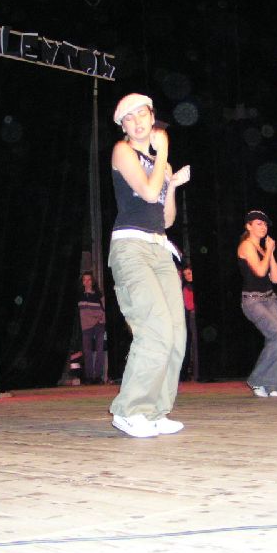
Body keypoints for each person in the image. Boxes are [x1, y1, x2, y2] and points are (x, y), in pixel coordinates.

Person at [108, 93, 191, 438]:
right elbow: (145, 192)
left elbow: (166, 218)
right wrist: (164, 154)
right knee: (155, 327)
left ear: (152, 117)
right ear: (124, 127)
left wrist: (171, 184)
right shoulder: (122, 151)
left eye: (142, 114)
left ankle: (156, 411)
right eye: (129, 118)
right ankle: (130, 411)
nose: (137, 122)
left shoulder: (162, 166)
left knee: (176, 333)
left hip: (159, 248)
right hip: (131, 247)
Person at [237, 210, 277, 397]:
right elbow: (259, 271)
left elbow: (276, 278)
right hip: (253, 300)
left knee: (276, 339)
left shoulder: (263, 249)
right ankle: (257, 379)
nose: (263, 227)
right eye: (259, 223)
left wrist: (270, 252)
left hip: (269, 298)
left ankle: (272, 384)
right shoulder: (246, 245)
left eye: (265, 224)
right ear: (248, 226)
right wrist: (268, 253)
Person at [78, 272, 106, 384]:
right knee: (87, 351)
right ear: (82, 282)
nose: (87, 282)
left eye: (89, 279)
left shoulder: (98, 295)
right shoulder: (80, 295)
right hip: (86, 326)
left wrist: (101, 320)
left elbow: (104, 309)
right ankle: (89, 377)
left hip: (99, 324)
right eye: (84, 280)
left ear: (92, 281)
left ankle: (98, 376)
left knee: (100, 350)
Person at [180, 265, 200, 381]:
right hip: (192, 316)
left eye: (189, 273)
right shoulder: (186, 287)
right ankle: (196, 374)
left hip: (197, 316)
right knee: (194, 345)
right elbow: (188, 305)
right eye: (185, 274)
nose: (187, 276)